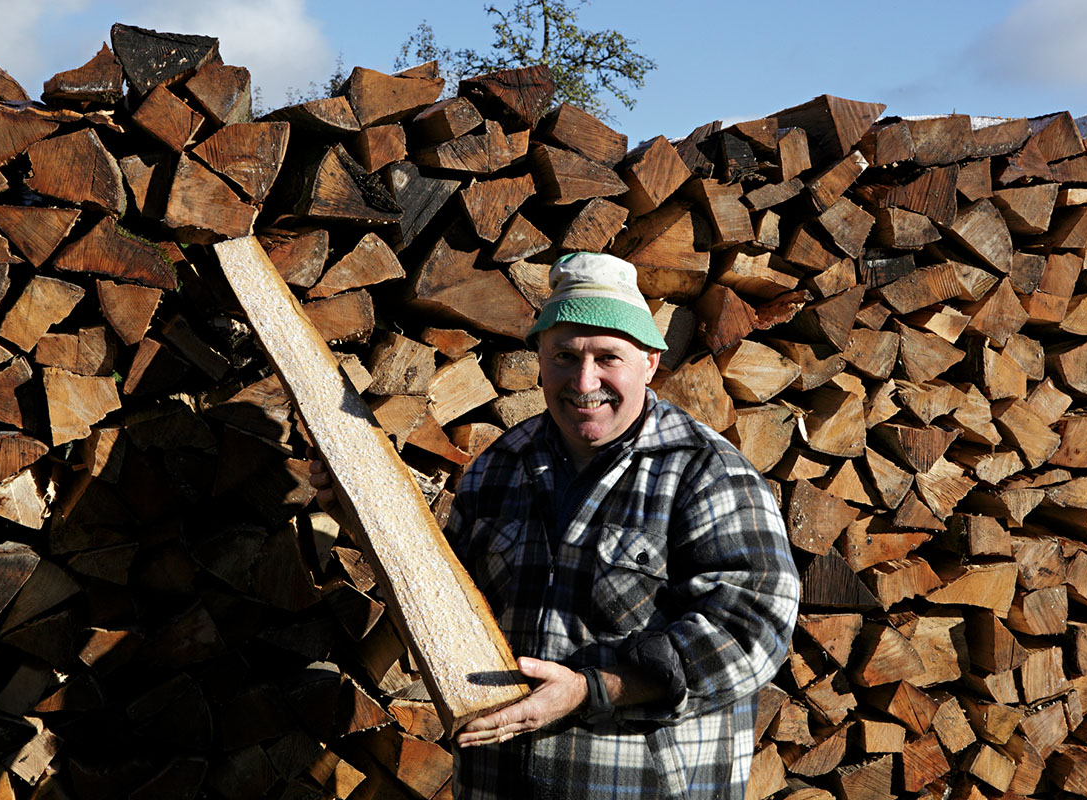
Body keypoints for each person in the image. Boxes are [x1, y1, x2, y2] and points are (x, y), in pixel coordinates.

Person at [313, 252, 799, 799]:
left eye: (608, 357)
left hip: (639, 786)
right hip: (500, 783)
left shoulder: (705, 471)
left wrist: (595, 689)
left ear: (649, 362)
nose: (585, 380)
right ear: (540, 360)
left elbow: (755, 628)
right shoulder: (501, 465)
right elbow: (446, 606)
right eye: (565, 356)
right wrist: (368, 524)